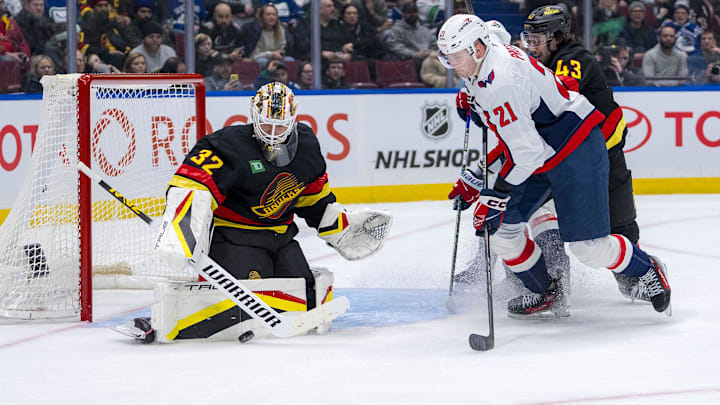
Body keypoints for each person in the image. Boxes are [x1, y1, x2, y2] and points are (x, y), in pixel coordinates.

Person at [117, 82, 391, 343]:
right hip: (235, 238)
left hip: (281, 238)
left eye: (280, 123)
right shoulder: (226, 146)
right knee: (245, 307)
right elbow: (193, 187)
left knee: (306, 296)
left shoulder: (307, 145)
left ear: (294, 118)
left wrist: (340, 229)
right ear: (253, 115)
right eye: (267, 123)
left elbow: (314, 199)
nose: (273, 130)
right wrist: (181, 230)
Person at [437, 14, 671, 317]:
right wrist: (478, 174)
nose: (451, 64)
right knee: (500, 233)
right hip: (542, 150)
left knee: (589, 248)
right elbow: (495, 33)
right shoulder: (486, 49)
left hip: (575, 147)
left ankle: (647, 269)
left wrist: (495, 195)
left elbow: (526, 153)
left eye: (454, 57)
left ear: (477, 50)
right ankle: (547, 291)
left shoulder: (501, 86)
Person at [241, 3, 294, 69]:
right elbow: (254, 56)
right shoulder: (255, 30)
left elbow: (282, 49)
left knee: (290, 60)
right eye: (268, 14)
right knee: (263, 61)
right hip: (259, 59)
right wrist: (271, 54)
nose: (272, 17)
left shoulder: (281, 29)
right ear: (262, 17)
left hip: (276, 58)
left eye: (274, 14)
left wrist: (280, 54)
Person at [383, 2, 436, 66]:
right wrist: (415, 54)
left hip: (430, 58)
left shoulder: (425, 29)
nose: (412, 14)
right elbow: (396, 47)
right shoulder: (396, 30)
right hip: (410, 62)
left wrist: (430, 52)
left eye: (414, 12)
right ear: (403, 14)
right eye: (409, 12)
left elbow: (435, 45)